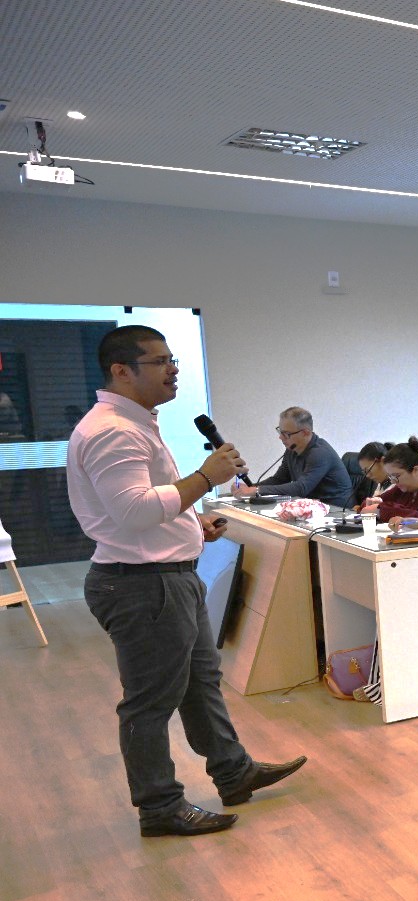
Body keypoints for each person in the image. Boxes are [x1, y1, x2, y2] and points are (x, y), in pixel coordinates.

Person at [66, 325, 305, 837]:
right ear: (121, 370)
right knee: (150, 702)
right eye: (160, 362)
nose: (173, 370)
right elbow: (133, 512)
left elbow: (144, 504)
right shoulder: (113, 431)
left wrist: (192, 524)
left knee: (200, 682)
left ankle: (233, 772)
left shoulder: (135, 423)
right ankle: (159, 808)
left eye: (173, 359)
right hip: (142, 586)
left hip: (164, 576)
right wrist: (206, 478)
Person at [233, 406, 351, 505]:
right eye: (280, 431)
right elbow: (279, 479)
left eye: (286, 434)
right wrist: (249, 487)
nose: (280, 437)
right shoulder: (292, 449)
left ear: (305, 433)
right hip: (312, 507)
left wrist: (256, 490)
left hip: (336, 510)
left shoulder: (320, 453)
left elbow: (301, 488)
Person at [366, 436, 418, 522]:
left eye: (396, 476)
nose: (393, 481)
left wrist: (381, 510)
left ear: (416, 470)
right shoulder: (404, 488)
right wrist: (372, 503)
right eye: (391, 477)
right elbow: (367, 504)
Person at [345, 440, 389, 508]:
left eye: (368, 470)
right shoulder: (380, 484)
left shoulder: (397, 485)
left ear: (383, 461)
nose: (367, 475)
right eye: (364, 472)